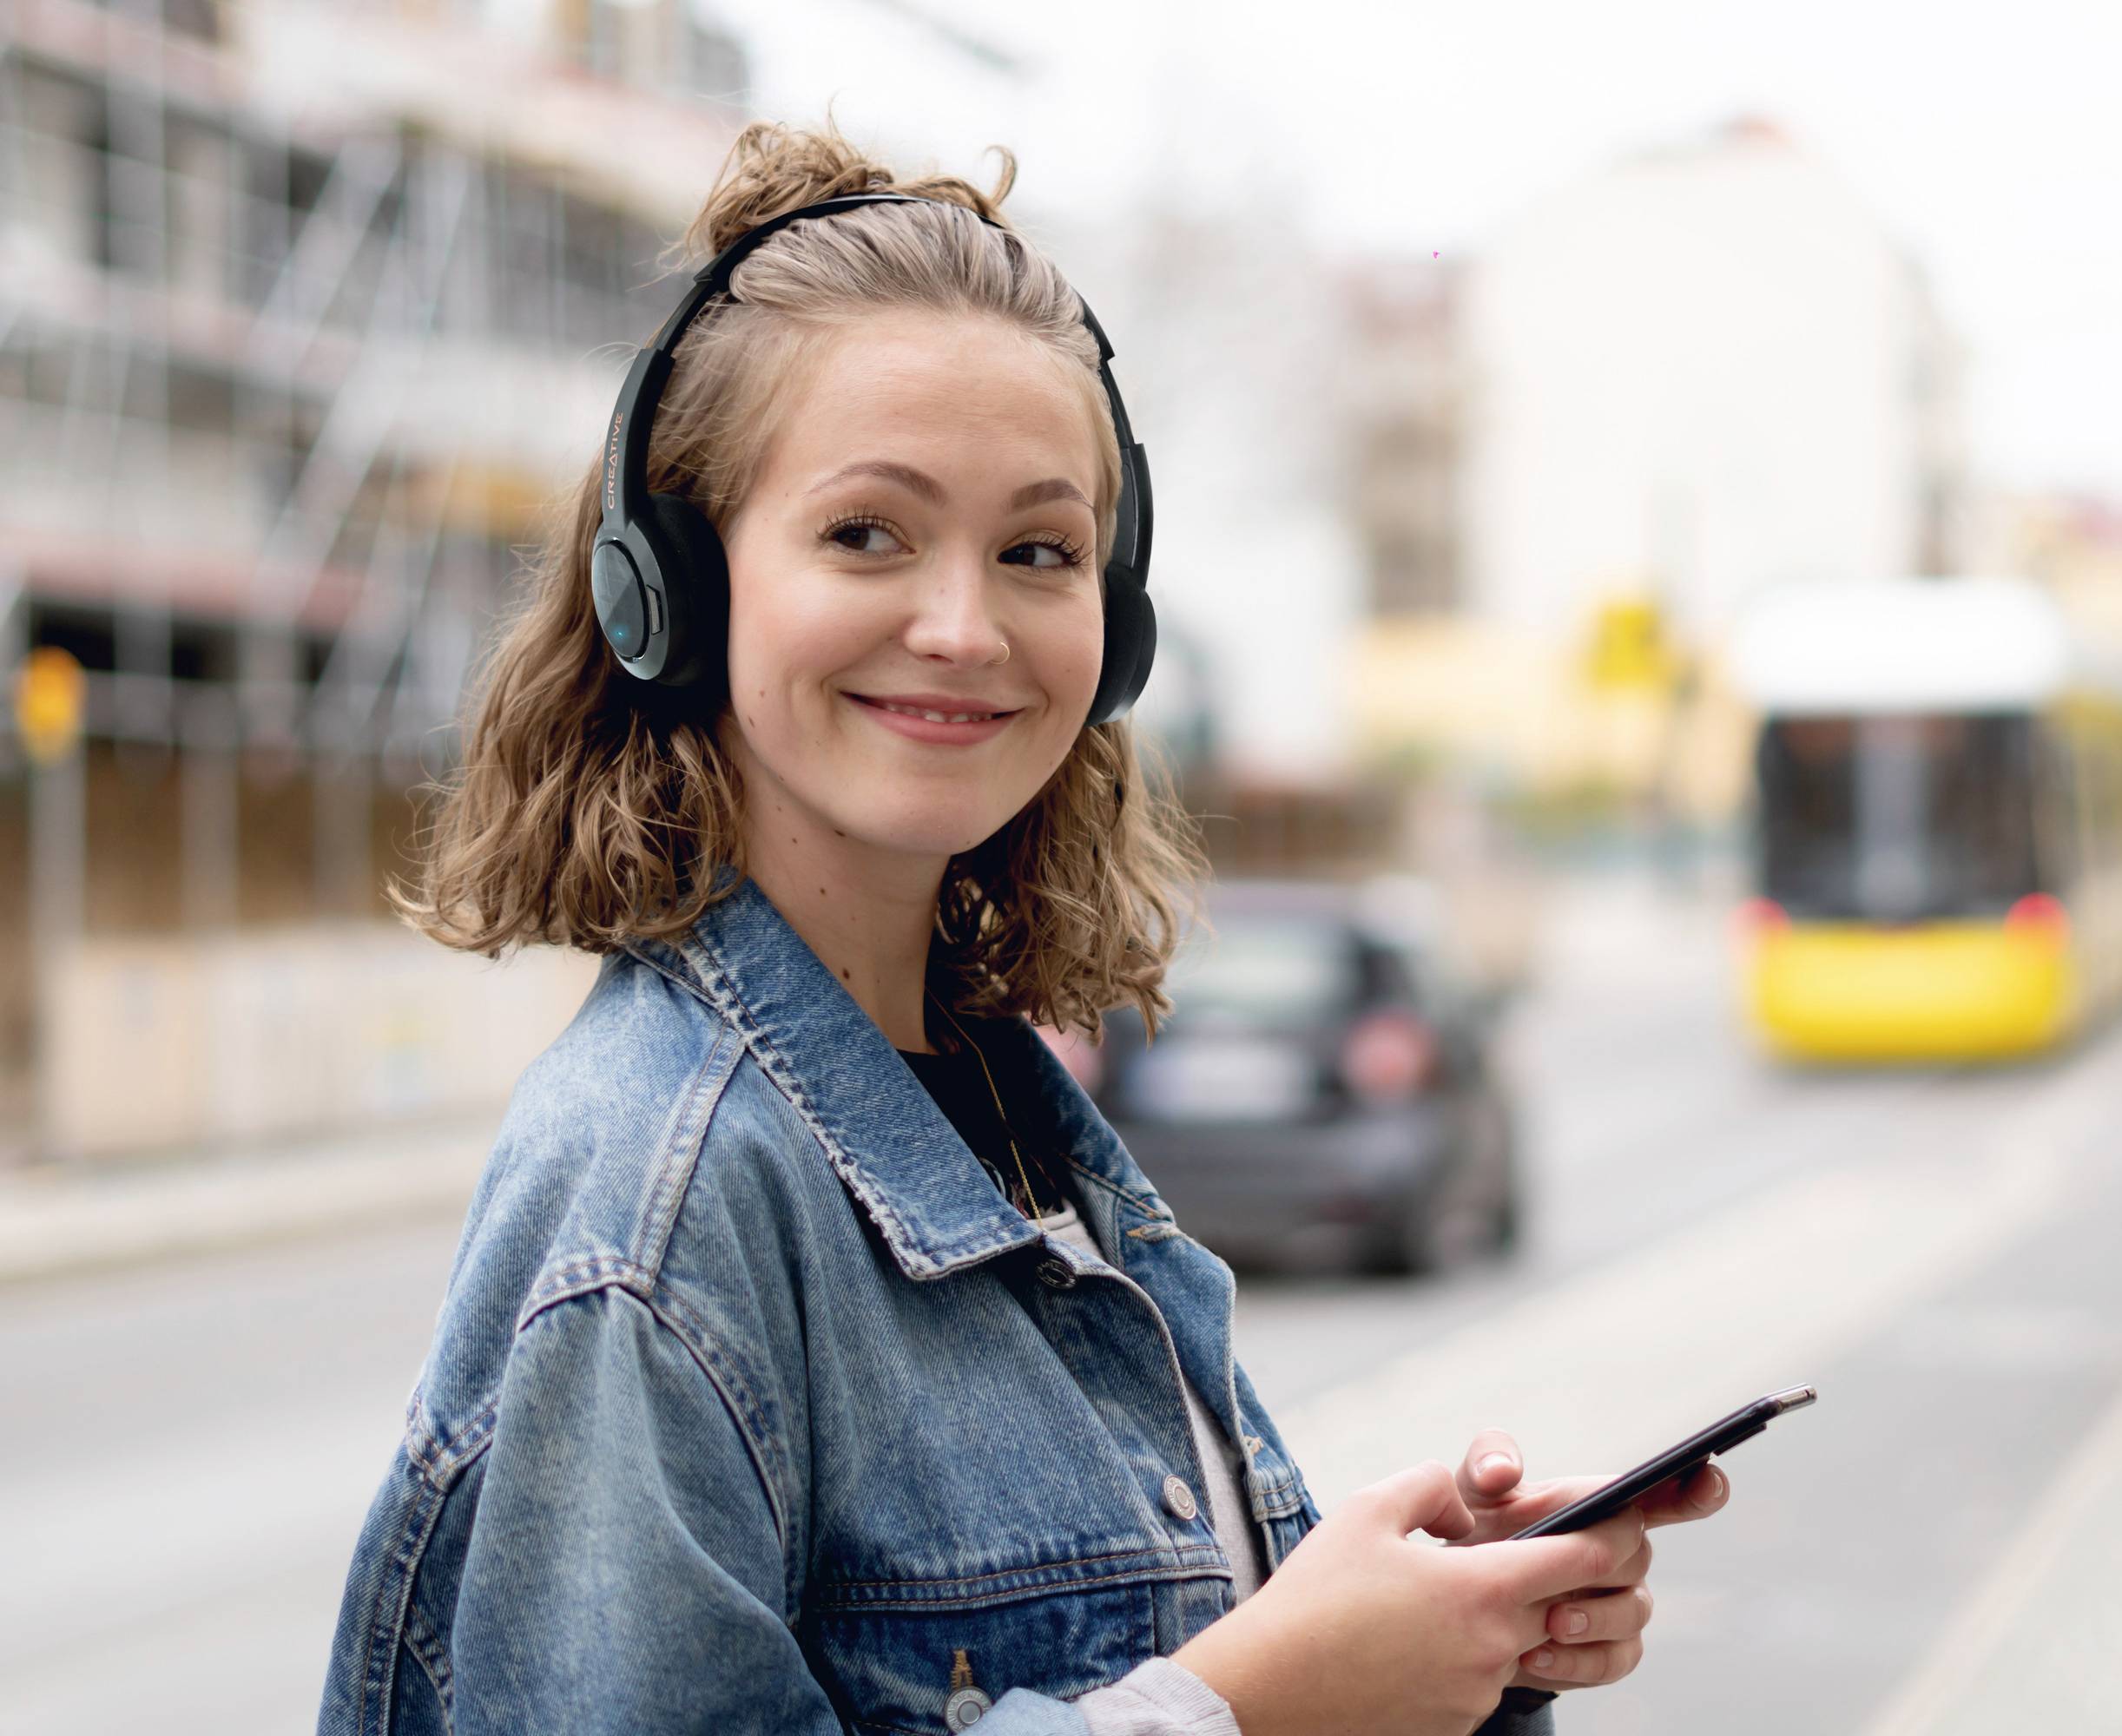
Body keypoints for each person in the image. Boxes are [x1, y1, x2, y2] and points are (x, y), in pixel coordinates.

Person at [316, 121, 1730, 1736]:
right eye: (867, 532)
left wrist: (1430, 1654)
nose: (963, 626)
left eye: (1039, 551)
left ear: (1113, 630)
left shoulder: (1003, 1117)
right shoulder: (662, 1196)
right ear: (673, 590)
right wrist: (1249, 1709)